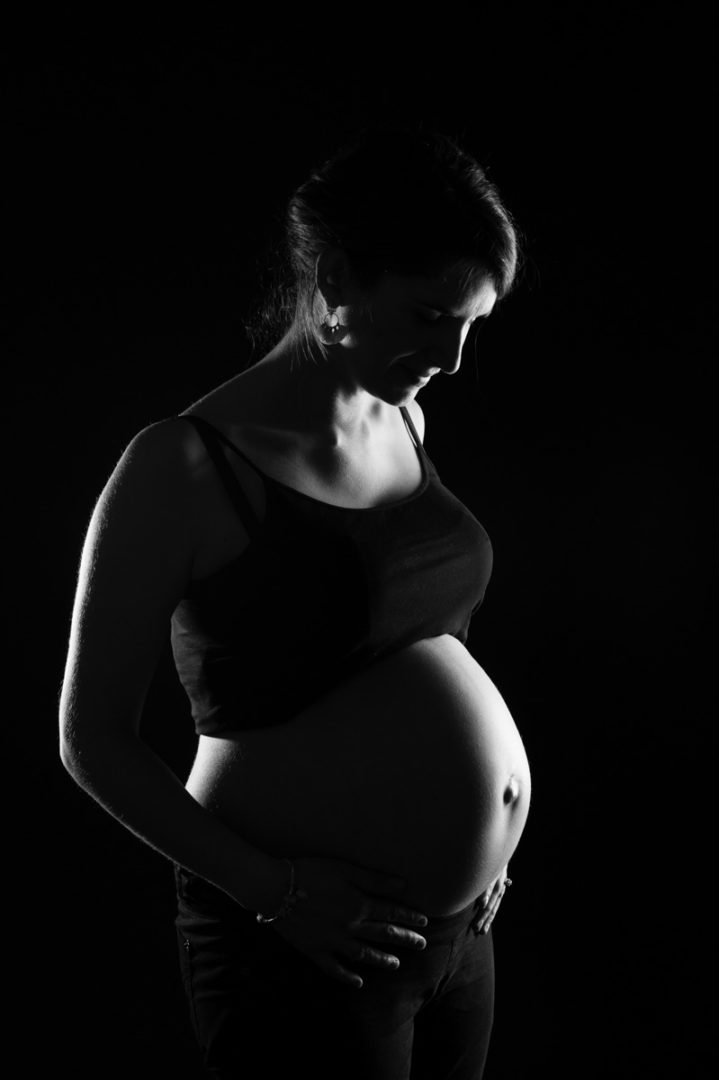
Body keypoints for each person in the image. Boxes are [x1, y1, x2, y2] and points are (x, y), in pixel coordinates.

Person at [59, 126, 530, 1079]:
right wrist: (272, 894)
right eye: (431, 316)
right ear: (340, 277)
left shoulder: (403, 414)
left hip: (453, 939)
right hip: (302, 942)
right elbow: (91, 738)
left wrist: (480, 846)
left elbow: (413, 649)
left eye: (472, 324)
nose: (452, 356)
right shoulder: (183, 466)